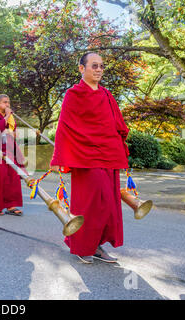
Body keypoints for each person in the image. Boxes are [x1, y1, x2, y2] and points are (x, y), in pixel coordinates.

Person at [50, 52, 130, 264]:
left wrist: (120, 147)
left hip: (109, 155)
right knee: (90, 203)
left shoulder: (107, 95)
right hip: (85, 157)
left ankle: (96, 245)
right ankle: (81, 246)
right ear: (81, 68)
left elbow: (117, 125)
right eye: (94, 66)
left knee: (109, 205)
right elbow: (64, 127)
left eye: (102, 66)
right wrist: (59, 157)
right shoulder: (73, 94)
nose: (99, 69)